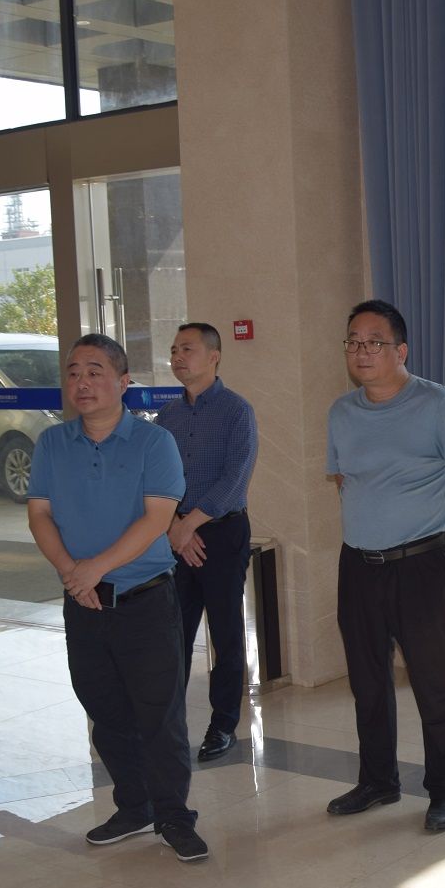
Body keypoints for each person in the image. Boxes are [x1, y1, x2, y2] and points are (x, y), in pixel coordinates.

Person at [27, 333, 208, 863]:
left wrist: (94, 569)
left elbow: (157, 519)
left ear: (123, 382)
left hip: (144, 601)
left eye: (95, 371)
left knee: (159, 715)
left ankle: (174, 815)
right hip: (83, 603)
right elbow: (39, 515)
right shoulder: (52, 443)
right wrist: (73, 575)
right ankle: (134, 806)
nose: (82, 382)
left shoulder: (154, 442)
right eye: (73, 372)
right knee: (104, 711)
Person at [324, 300, 445, 833]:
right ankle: (378, 781)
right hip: (358, 565)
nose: (362, 351)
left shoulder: (437, 404)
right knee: (367, 682)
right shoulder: (341, 412)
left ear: (401, 351)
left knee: (435, 684)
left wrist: (444, 539)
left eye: (374, 342)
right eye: (353, 342)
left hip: (420, 566)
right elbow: (345, 479)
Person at [155, 322, 258, 762]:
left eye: (188, 349)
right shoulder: (167, 417)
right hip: (176, 534)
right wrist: (175, 526)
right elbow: (155, 478)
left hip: (222, 532)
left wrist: (188, 525)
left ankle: (223, 725)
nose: (178, 357)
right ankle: (166, 723)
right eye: (174, 350)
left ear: (214, 356)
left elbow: (236, 477)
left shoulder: (237, 410)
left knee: (226, 632)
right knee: (172, 633)